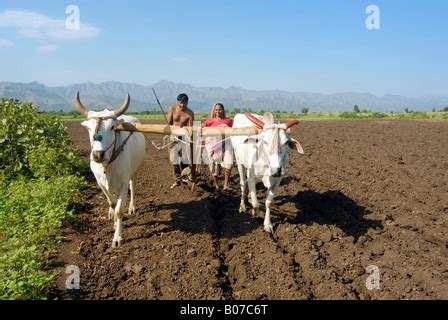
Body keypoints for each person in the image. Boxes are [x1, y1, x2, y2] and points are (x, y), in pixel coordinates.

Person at [167, 93, 194, 189]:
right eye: (180, 103)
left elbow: (191, 128)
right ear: (177, 101)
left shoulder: (190, 113)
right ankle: (177, 180)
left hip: (184, 138)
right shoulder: (172, 109)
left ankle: (185, 178)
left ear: (187, 103)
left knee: (184, 160)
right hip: (173, 138)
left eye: (185, 103)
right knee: (173, 160)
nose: (182, 105)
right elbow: (168, 123)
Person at [204, 103, 233, 191]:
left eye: (219, 109)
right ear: (214, 111)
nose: (218, 111)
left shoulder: (229, 121)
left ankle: (226, 185)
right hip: (214, 146)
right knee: (215, 166)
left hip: (226, 145)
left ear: (223, 110)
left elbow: (235, 130)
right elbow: (204, 131)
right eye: (216, 110)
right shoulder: (209, 121)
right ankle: (216, 185)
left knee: (228, 165)